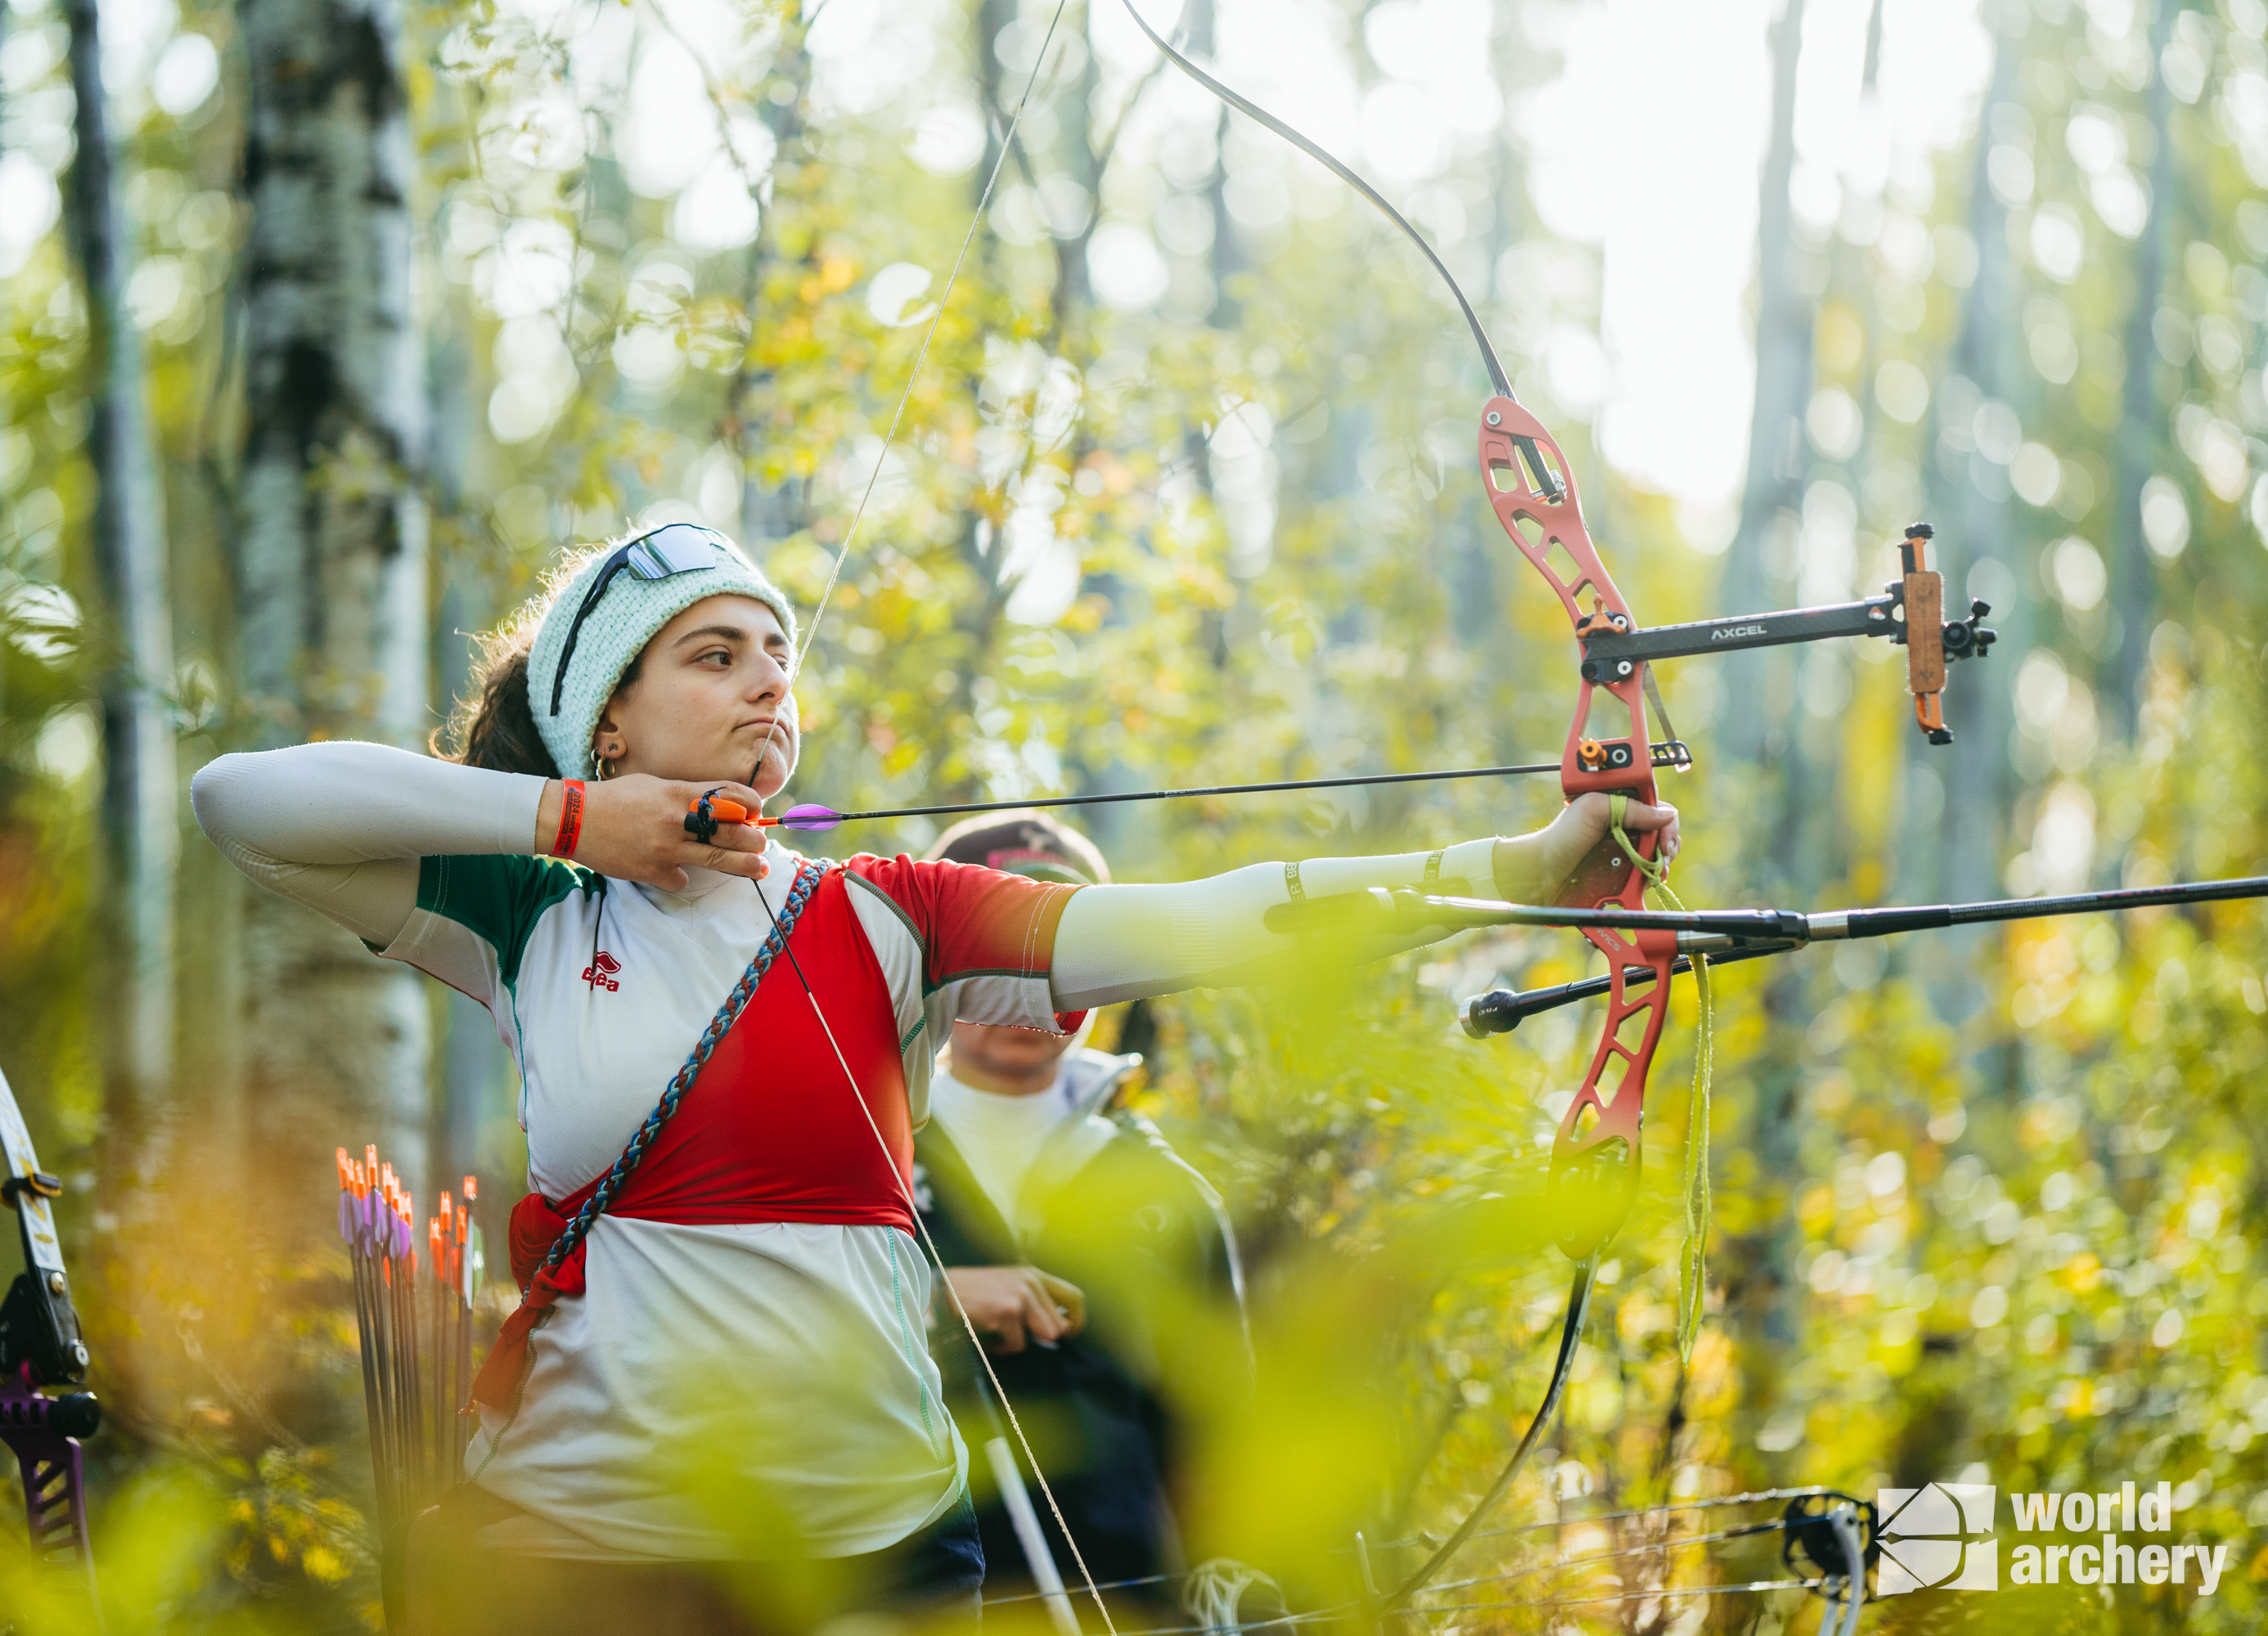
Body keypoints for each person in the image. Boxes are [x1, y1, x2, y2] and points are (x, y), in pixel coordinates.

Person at [189, 521, 1676, 1634]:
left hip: (876, 1550)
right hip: (581, 1545)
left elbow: (1224, 912)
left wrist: (1519, 868)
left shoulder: (892, 915)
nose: (770, 683)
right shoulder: (527, 914)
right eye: (715, 655)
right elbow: (243, 803)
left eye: (781, 655)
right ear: (611, 718)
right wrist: (572, 821)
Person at [915, 811, 1251, 1621]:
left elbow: (1223, 1445)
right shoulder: (850, 1148)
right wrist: (930, 1297)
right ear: (931, 959)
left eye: (1062, 953)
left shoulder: (1164, 1190)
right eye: (1000, 943)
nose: (1033, 984)